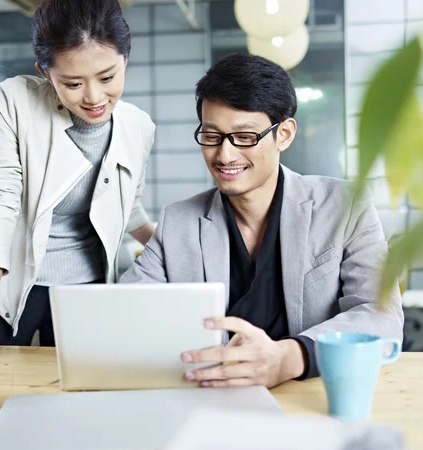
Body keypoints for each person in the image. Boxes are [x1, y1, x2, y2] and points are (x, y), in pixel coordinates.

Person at [120, 53, 404, 388]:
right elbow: (129, 311)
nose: (225, 155)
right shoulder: (179, 220)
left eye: (244, 137)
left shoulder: (345, 207)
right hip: (209, 395)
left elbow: (380, 315)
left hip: (312, 394)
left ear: (283, 134)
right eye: (212, 136)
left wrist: (291, 357)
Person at [0, 0, 156, 360]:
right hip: (7, 284)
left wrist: (175, 249)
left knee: (80, 398)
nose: (94, 97)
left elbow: (128, 208)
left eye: (108, 77)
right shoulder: (15, 102)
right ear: (45, 72)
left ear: (125, 59)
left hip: (85, 290)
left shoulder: (138, 127)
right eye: (72, 83)